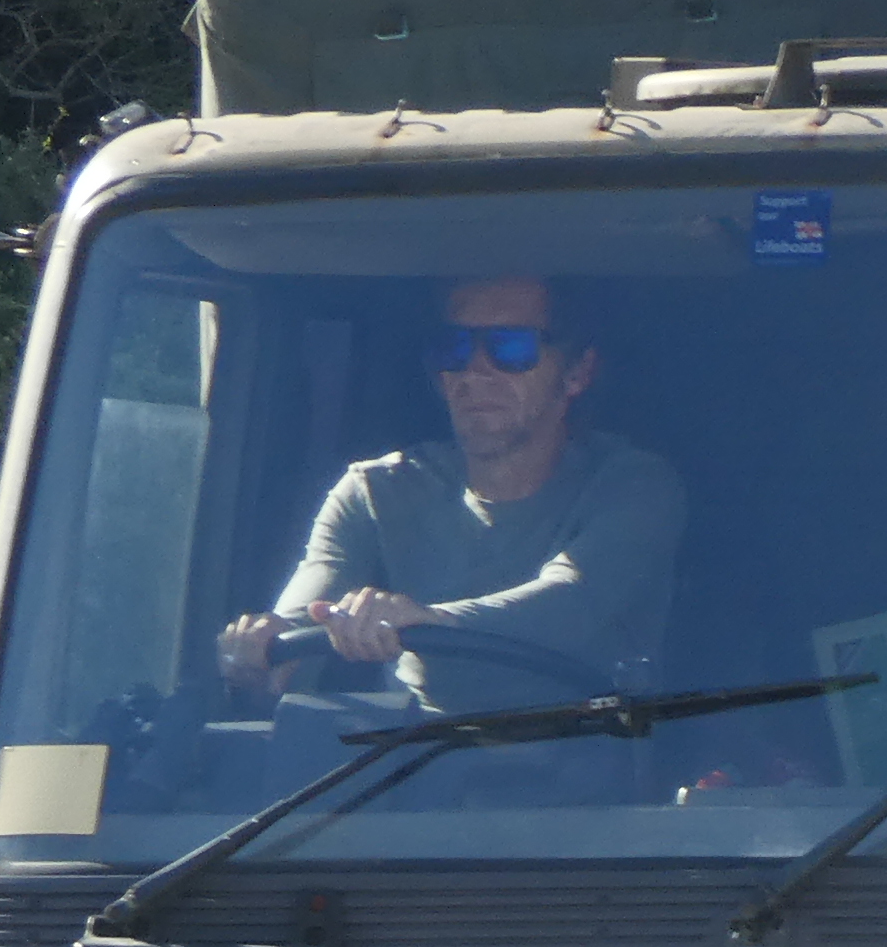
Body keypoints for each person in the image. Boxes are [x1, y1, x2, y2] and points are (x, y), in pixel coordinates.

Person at [221, 277, 684, 705]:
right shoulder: (374, 493)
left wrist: (426, 622)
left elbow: (571, 600)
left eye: (511, 347)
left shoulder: (634, 488)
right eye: (455, 348)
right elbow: (304, 622)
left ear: (578, 372)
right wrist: (260, 650)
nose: (476, 371)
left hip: (585, 777)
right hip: (399, 773)